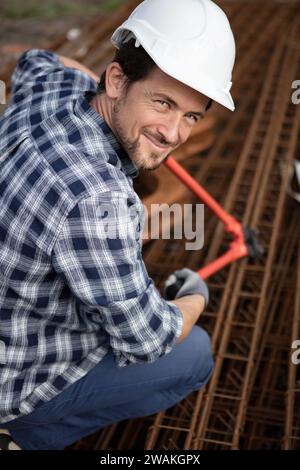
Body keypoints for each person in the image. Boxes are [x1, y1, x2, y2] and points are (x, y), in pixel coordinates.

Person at [0, 0, 235, 450]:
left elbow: (38, 58)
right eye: (162, 102)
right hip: (15, 376)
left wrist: (129, 103)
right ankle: (29, 434)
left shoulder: (53, 88)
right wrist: (194, 299)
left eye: (191, 115)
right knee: (195, 354)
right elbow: (148, 338)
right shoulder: (98, 199)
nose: (172, 134)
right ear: (116, 80)